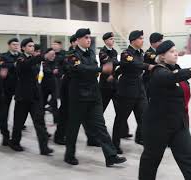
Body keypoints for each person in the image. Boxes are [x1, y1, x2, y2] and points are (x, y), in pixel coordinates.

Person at [139, 40, 191, 180]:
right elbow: (172, 78)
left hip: (178, 124)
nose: (175, 53)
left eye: (175, 50)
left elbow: (178, 77)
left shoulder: (175, 69)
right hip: (157, 125)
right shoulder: (158, 72)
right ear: (162, 56)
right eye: (171, 51)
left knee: (188, 159)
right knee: (151, 161)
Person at [64, 28, 126, 167]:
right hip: (79, 97)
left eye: (89, 37)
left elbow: (91, 70)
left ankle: (111, 156)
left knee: (101, 126)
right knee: (74, 127)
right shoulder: (72, 54)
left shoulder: (91, 52)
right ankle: (69, 155)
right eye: (85, 37)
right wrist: (100, 70)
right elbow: (80, 69)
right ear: (78, 39)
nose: (88, 40)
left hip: (93, 95)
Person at [9, 38, 53, 156]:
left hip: (35, 96)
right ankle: (14, 143)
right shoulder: (20, 59)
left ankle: (44, 148)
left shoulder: (35, 61)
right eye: (29, 46)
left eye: (33, 46)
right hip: (23, 97)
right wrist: (42, 57)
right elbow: (25, 65)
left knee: (40, 122)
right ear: (23, 48)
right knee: (19, 122)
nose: (32, 48)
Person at [112, 30, 154, 154]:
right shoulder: (126, 53)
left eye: (142, 38)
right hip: (127, 91)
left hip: (140, 91)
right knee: (121, 119)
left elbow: (151, 59)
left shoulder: (141, 52)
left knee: (145, 118)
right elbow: (135, 64)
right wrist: (148, 66)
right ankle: (115, 144)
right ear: (133, 40)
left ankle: (144, 140)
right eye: (140, 38)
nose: (142, 40)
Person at [0, 38, 21, 130]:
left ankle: (19, 123)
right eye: (14, 44)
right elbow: (3, 66)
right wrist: (14, 64)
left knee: (20, 108)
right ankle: (4, 124)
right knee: (5, 107)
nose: (16, 46)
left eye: (17, 44)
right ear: (9, 45)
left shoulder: (21, 55)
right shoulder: (3, 56)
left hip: (19, 86)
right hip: (7, 86)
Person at [41, 48, 59, 125]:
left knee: (55, 102)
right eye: (51, 54)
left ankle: (56, 120)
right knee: (42, 104)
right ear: (47, 54)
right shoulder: (43, 62)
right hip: (44, 86)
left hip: (53, 85)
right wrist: (52, 71)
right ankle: (41, 121)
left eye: (54, 54)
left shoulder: (55, 62)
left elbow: (58, 71)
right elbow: (46, 70)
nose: (53, 56)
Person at [143, 32, 163, 102]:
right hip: (149, 81)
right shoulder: (148, 53)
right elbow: (157, 59)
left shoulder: (160, 52)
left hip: (157, 80)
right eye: (159, 41)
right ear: (153, 42)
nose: (161, 43)